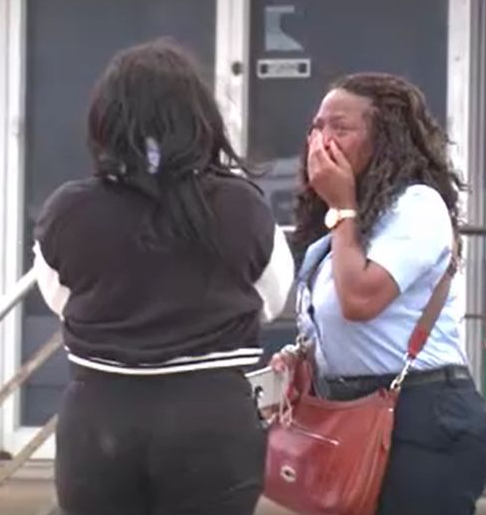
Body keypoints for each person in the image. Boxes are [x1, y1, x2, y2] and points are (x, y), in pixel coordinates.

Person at [31, 39, 294, 515]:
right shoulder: (242, 205)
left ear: (106, 120)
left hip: (100, 416)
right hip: (213, 418)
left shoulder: (69, 209)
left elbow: (59, 296)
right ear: (199, 119)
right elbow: (271, 297)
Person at [279, 72, 486, 514]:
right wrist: (303, 358)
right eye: (316, 127)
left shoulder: (416, 207)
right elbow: (340, 320)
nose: (322, 142)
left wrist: (342, 207)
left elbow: (360, 300)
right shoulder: (339, 231)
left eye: (340, 129)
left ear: (386, 140)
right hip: (354, 414)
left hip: (423, 418)